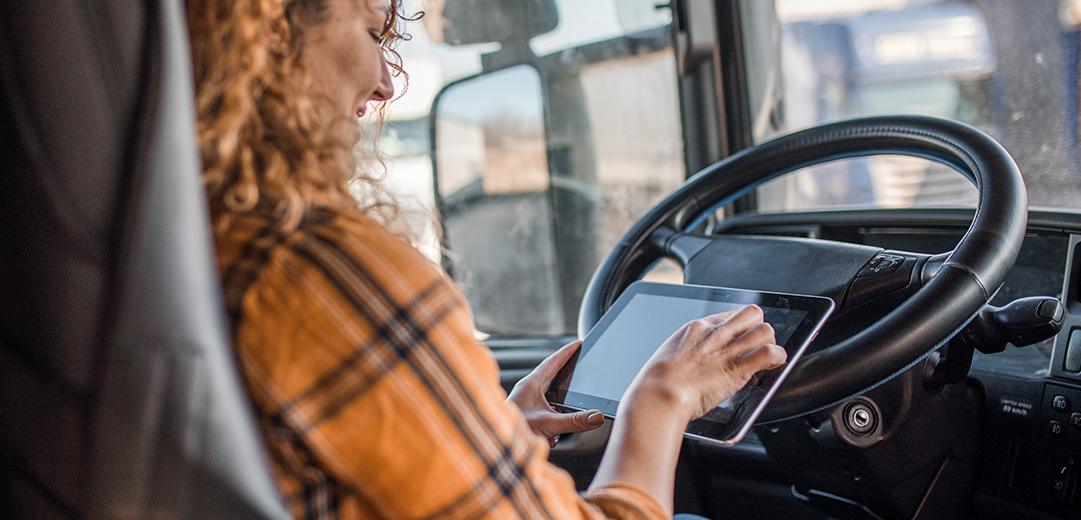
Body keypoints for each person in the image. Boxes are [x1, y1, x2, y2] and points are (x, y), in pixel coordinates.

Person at [185, 0, 787, 518]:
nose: (385, 85)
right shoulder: (317, 271)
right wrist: (662, 397)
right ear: (271, 25)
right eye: (373, 33)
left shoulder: (204, 237)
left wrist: (489, 435)